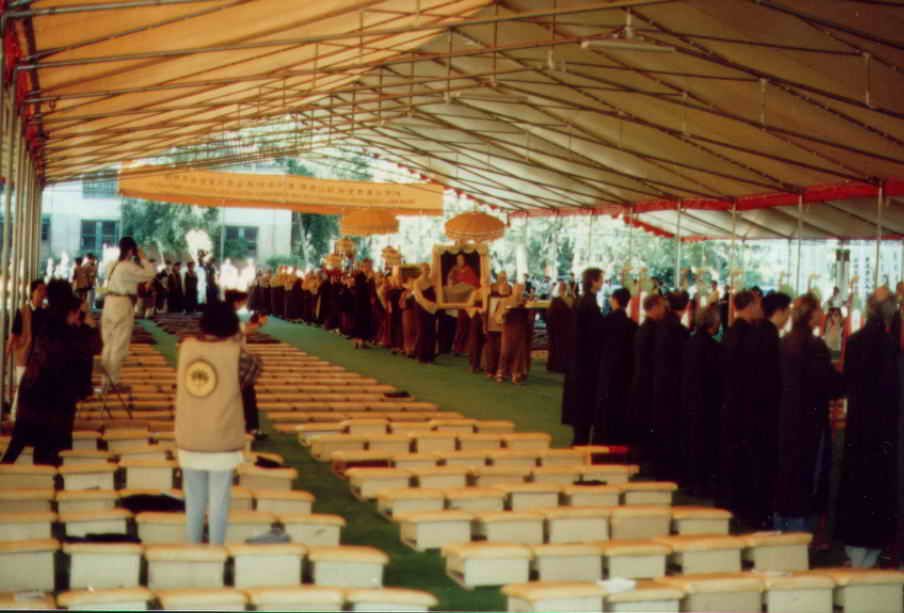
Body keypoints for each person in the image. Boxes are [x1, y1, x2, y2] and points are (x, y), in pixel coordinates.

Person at [175, 301, 261, 545]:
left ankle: (192, 549)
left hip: (189, 436)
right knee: (219, 503)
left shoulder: (185, 347)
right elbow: (254, 369)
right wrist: (239, 339)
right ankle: (215, 551)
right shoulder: (237, 354)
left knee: (193, 502)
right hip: (222, 439)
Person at [2, 281, 101, 465]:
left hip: (34, 394)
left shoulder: (48, 321)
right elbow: (93, 347)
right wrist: (88, 325)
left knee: (21, 443)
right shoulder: (66, 332)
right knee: (50, 448)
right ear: (69, 310)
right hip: (54, 401)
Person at [773, 294, 844, 532]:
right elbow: (829, 384)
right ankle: (800, 534)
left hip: (786, 417)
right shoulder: (815, 346)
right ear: (812, 315)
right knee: (808, 477)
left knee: (787, 473)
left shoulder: (784, 342)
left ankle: (782, 528)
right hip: (811, 421)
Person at [838, 290, 899, 568]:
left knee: (855, 487)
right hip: (883, 429)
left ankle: (854, 553)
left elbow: (847, 383)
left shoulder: (854, 342)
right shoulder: (890, 346)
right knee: (877, 491)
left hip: (858, 425)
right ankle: (870, 553)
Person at [717, 289, 763, 512]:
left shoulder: (730, 332)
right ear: (750, 306)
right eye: (758, 304)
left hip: (729, 401)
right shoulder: (750, 335)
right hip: (745, 404)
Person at [101, 237, 156, 391]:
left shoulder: (111, 265)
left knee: (108, 344)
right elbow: (150, 274)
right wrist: (143, 258)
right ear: (132, 250)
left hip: (108, 303)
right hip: (122, 304)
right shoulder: (128, 267)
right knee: (119, 345)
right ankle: (113, 382)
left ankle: (105, 382)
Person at [680, 304, 723, 498]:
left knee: (691, 442)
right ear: (713, 324)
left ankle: (692, 483)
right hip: (708, 403)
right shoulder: (715, 348)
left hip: (689, 400)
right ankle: (702, 485)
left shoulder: (688, 343)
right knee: (706, 445)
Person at [561, 268, 605, 446]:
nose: (603, 282)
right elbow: (595, 333)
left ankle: (578, 441)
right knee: (584, 404)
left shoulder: (582, 300)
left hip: (577, 360)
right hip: (585, 362)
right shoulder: (589, 303)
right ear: (593, 281)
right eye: (601, 279)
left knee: (579, 405)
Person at [650, 290, 690, 480]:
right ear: (686, 306)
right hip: (674, 386)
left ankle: (659, 467)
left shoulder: (660, 326)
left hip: (659, 382)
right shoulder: (680, 331)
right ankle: (669, 470)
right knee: (672, 429)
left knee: (661, 428)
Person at [596, 287, 637, 445]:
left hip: (607, 369)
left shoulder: (605, 322)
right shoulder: (632, 325)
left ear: (614, 300)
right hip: (624, 371)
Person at [4, 280, 47, 422]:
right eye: (39, 290)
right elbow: (14, 333)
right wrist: (7, 352)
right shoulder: (23, 311)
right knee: (21, 387)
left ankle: (27, 416)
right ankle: (15, 415)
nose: (42, 293)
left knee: (36, 387)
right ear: (32, 292)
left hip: (39, 357)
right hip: (24, 354)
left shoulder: (44, 312)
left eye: (44, 290)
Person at [629, 293, 666, 453]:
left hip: (640, 380)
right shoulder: (653, 331)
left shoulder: (643, 329)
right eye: (662, 306)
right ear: (654, 307)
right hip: (648, 383)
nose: (664, 310)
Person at [496, 283, 531, 384]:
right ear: (513, 290)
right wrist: (504, 313)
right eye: (518, 289)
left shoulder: (526, 302)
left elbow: (529, 316)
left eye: (521, 290)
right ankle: (501, 373)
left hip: (521, 330)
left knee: (518, 352)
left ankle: (516, 374)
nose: (519, 291)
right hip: (508, 329)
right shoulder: (505, 301)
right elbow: (498, 317)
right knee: (505, 351)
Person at [484, 272, 512, 378]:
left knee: (503, 349)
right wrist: (485, 324)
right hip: (491, 325)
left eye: (505, 278)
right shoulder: (490, 294)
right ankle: (490, 370)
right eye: (501, 277)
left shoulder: (511, 296)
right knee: (491, 348)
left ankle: (502, 371)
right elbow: (487, 311)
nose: (502, 280)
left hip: (506, 327)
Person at [545, 281, 575, 374]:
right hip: (558, 328)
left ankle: (560, 366)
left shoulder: (569, 299)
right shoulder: (557, 300)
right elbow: (550, 314)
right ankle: (557, 366)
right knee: (557, 347)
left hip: (564, 328)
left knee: (561, 347)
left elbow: (572, 310)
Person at [413, 263, 438, 364]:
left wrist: (435, 306)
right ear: (421, 270)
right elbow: (419, 298)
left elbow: (436, 294)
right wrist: (430, 306)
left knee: (431, 331)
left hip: (431, 310)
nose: (427, 270)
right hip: (421, 309)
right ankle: (421, 356)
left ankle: (430, 356)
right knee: (422, 331)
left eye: (428, 269)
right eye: (425, 269)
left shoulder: (432, 281)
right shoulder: (417, 282)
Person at [351, 260, 374, 349]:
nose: (370, 267)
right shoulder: (359, 276)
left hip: (366, 303)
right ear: (365, 266)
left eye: (371, 266)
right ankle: (358, 341)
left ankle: (361, 341)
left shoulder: (369, 276)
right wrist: (367, 280)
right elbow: (359, 289)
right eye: (369, 266)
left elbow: (371, 289)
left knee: (365, 321)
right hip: (360, 302)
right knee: (359, 321)